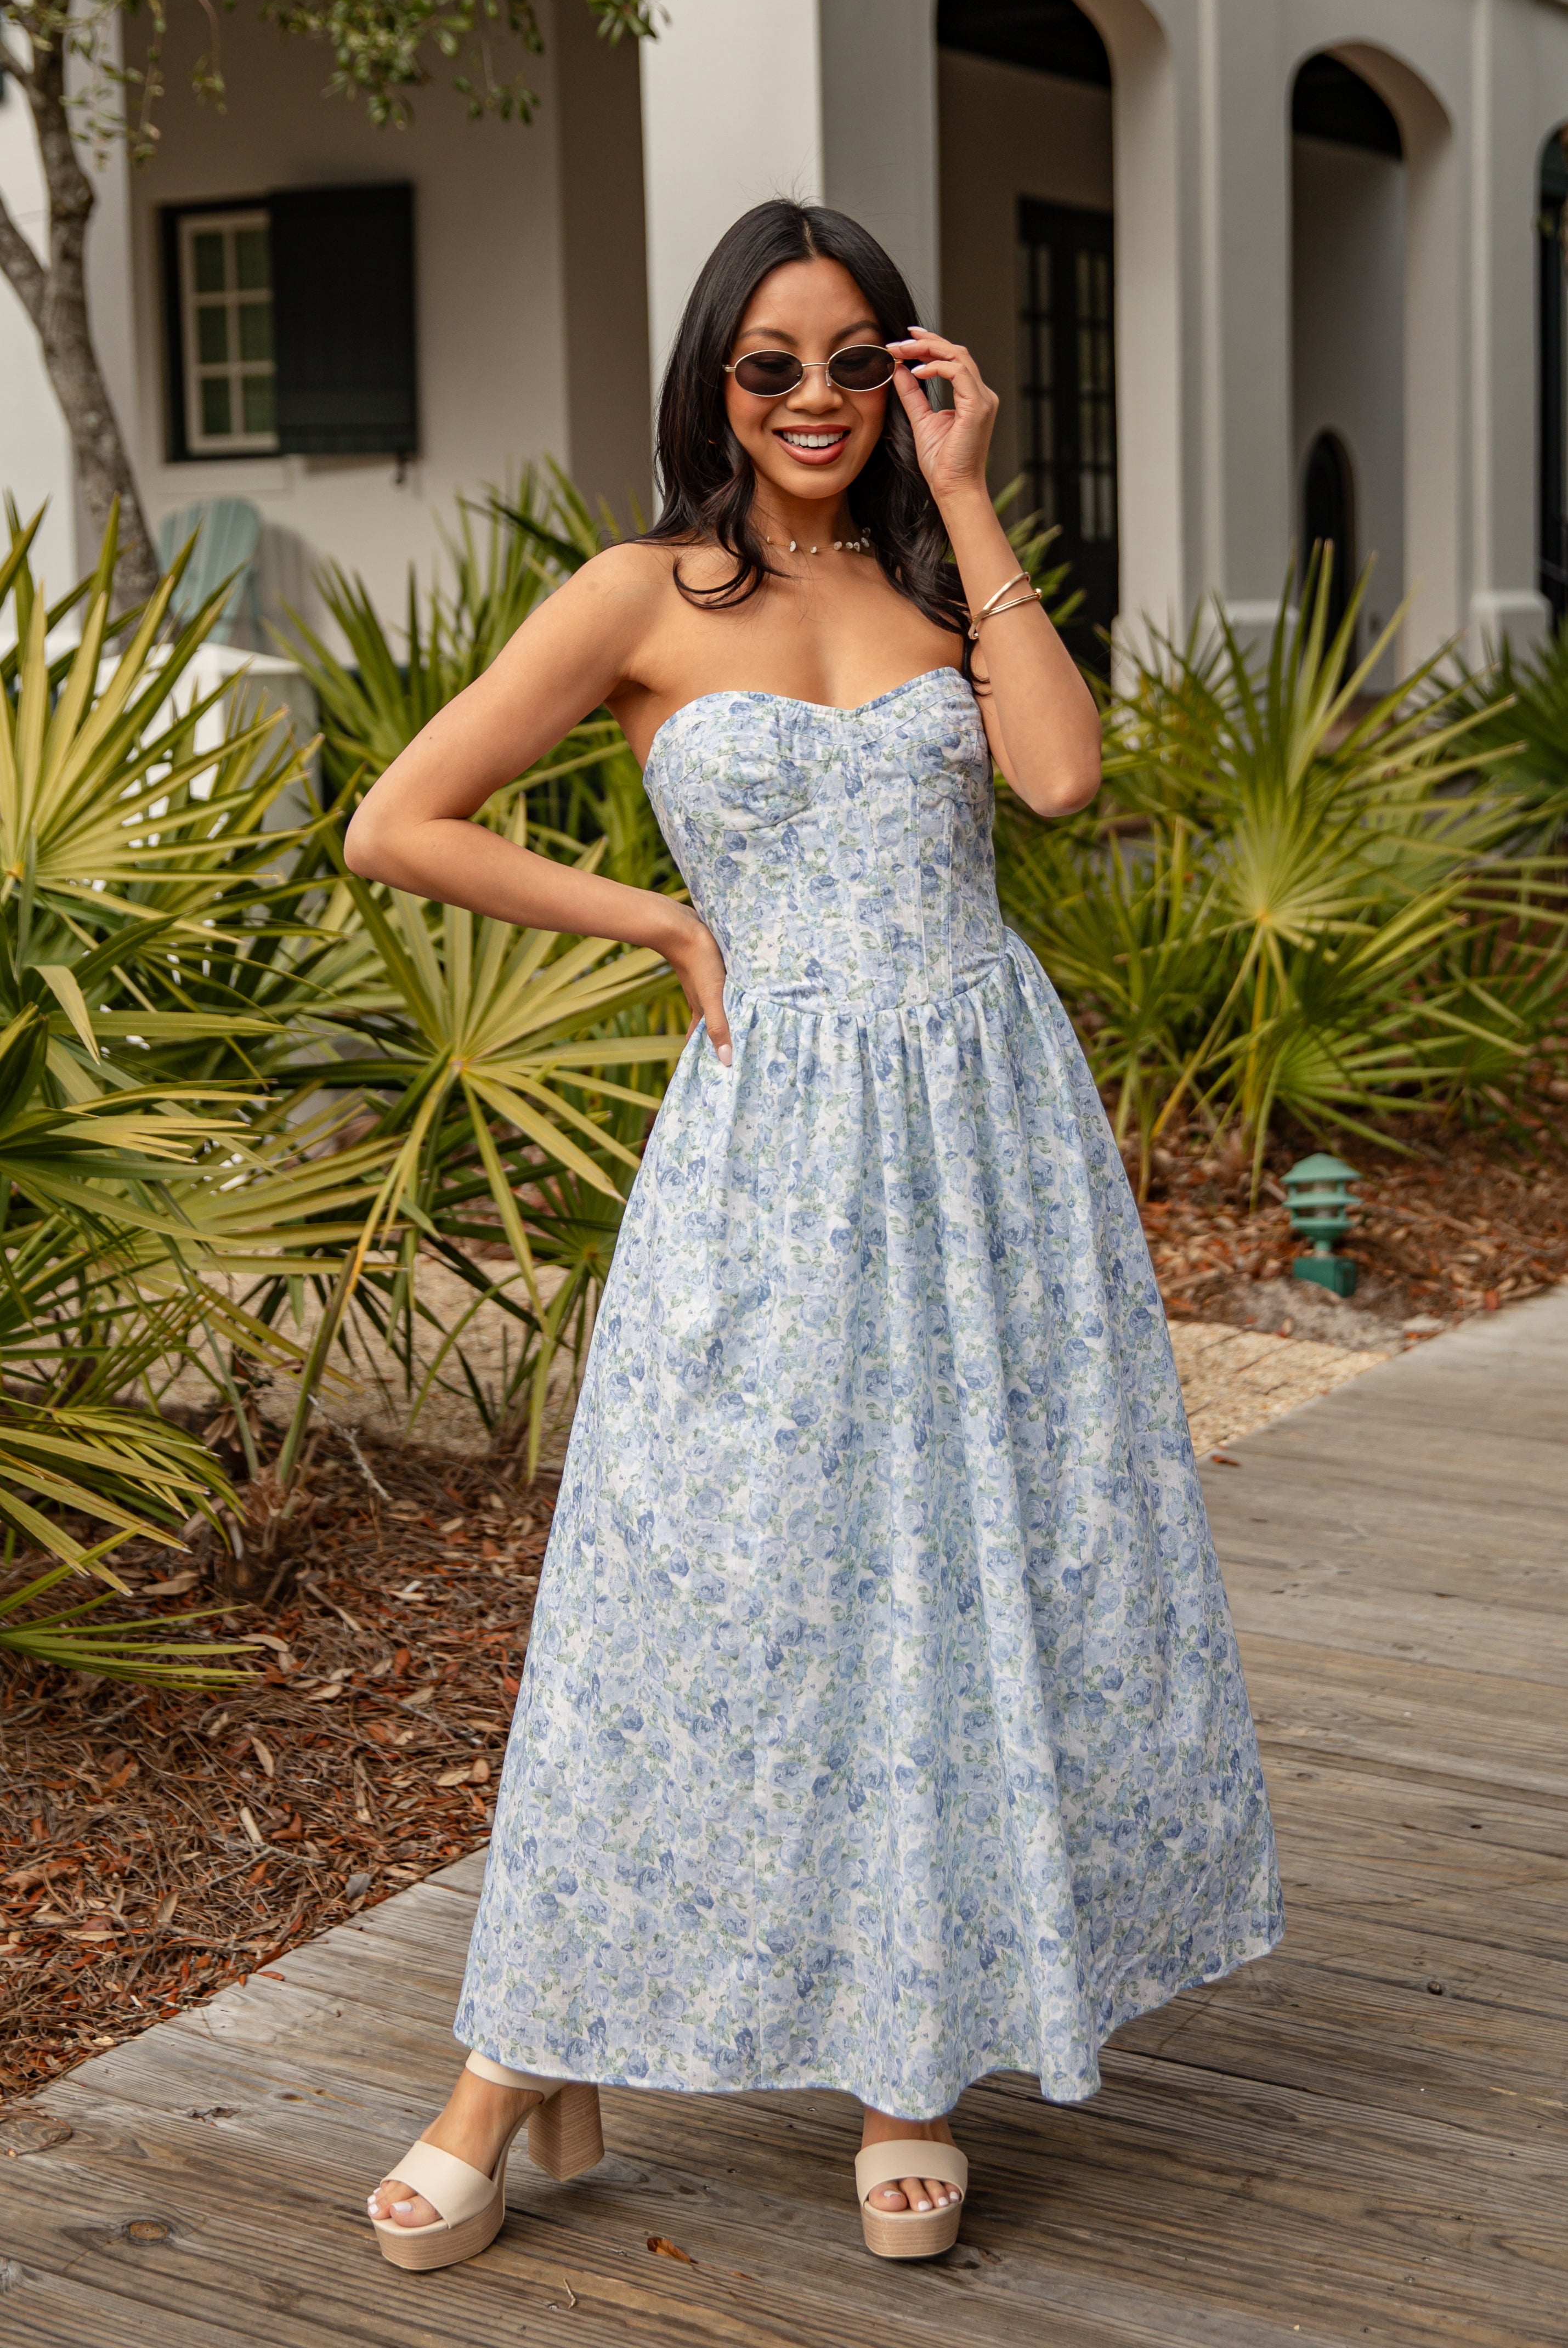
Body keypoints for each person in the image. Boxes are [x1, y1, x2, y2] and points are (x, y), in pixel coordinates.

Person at [348, 199, 1284, 2271]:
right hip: (772, 1141)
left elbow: (1055, 779)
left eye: (851, 359)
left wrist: (970, 496)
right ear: (714, 380)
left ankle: (906, 2069)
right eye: (768, 363)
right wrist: (668, 920)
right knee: (692, 1585)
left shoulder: (945, 585)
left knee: (957, 1579)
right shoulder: (636, 594)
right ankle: (515, 2054)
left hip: (986, 1141)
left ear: (901, 376)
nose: (808, 399)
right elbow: (396, 818)